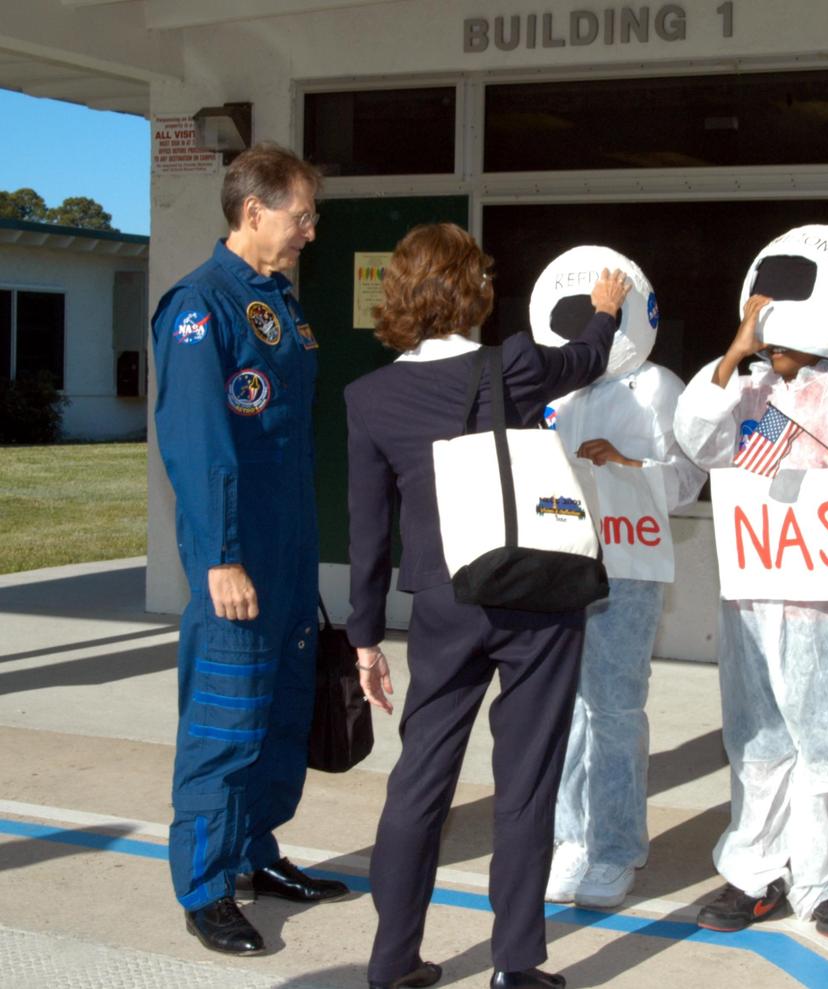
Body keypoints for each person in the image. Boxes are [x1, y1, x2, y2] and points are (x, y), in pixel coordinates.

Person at [344, 222, 629, 989]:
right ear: (475, 290)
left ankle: (391, 960)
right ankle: (515, 963)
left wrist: (364, 638)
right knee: (526, 779)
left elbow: (369, 533)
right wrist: (604, 308)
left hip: (442, 600)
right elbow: (590, 357)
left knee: (420, 779)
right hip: (535, 591)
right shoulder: (518, 365)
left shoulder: (368, 397)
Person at [673, 224, 828, 938]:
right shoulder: (739, 392)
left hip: (827, 607)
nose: (770, 349)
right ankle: (753, 874)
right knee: (757, 742)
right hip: (754, 601)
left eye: (778, 338)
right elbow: (697, 438)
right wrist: (736, 355)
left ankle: (825, 880)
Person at [151, 142, 348, 957]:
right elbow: (200, 449)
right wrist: (220, 558)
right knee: (226, 722)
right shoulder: (202, 307)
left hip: (288, 553)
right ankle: (204, 887)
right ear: (254, 209)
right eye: (302, 216)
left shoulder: (279, 303)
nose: (311, 231)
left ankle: (254, 855)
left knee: (280, 713)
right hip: (237, 562)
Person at [529, 246, 705, 909]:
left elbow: (688, 481)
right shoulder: (555, 386)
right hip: (557, 565)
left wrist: (630, 464)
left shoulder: (660, 386)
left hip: (626, 570)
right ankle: (571, 838)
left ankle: (616, 848)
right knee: (563, 711)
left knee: (614, 709)